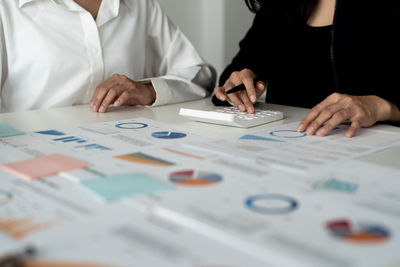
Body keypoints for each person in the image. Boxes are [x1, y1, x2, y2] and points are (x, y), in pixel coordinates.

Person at [213, 0, 400, 137]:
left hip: (371, 149)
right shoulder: (281, 6)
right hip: (285, 147)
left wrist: (383, 107)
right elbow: (232, 78)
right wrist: (239, 86)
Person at [0, 0, 215, 113]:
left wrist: (148, 89)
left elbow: (200, 75)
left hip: (124, 147)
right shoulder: (6, 8)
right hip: (30, 154)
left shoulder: (141, 4)